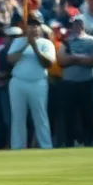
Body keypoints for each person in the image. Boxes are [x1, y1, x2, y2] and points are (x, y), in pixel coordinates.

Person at [6, 15, 56, 150]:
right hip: (18, 82)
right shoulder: (17, 42)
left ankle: (46, 146)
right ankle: (17, 147)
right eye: (31, 25)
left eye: (36, 25)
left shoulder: (46, 43)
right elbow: (10, 59)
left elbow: (48, 63)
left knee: (40, 116)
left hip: (38, 82)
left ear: (40, 28)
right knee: (18, 117)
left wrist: (35, 47)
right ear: (26, 27)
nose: (34, 28)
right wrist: (26, 44)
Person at [55, 15, 93, 147]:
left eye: (78, 23)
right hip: (69, 84)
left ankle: (89, 141)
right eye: (73, 24)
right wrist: (81, 59)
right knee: (69, 116)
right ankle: (69, 142)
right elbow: (61, 61)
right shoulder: (66, 42)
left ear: (82, 25)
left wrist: (75, 57)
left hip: (87, 83)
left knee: (87, 114)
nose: (75, 26)